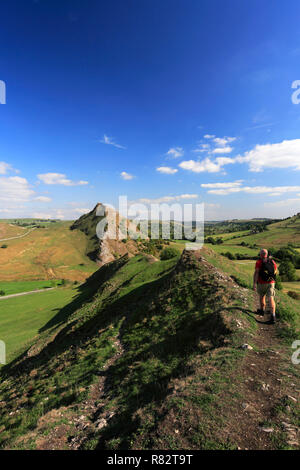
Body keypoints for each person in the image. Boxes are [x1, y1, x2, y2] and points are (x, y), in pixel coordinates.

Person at [253, 248, 277, 324]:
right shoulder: (272, 261)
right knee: (271, 298)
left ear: (260, 254)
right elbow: (275, 271)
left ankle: (262, 310)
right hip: (271, 282)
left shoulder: (259, 262)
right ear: (267, 254)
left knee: (262, 296)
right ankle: (273, 316)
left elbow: (256, 273)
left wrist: (254, 283)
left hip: (261, 282)